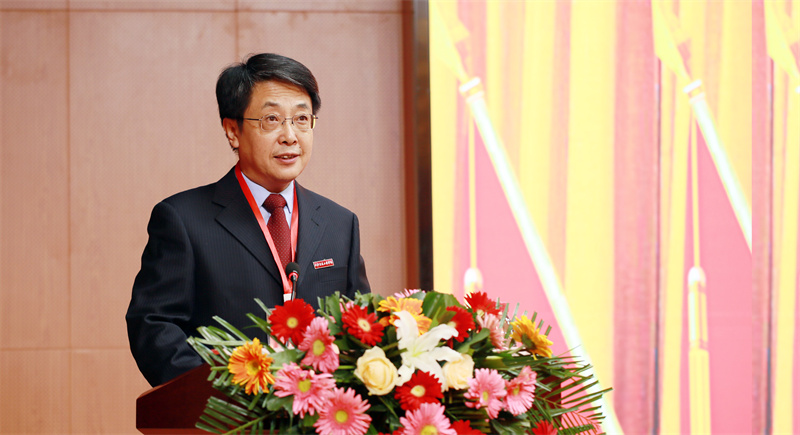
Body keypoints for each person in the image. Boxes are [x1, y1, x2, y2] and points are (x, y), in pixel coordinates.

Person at [126, 53, 371, 387]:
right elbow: (153, 326)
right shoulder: (183, 220)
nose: (290, 136)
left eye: (302, 119)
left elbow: (360, 326)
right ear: (233, 131)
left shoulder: (340, 223)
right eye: (272, 119)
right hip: (227, 410)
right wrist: (228, 396)